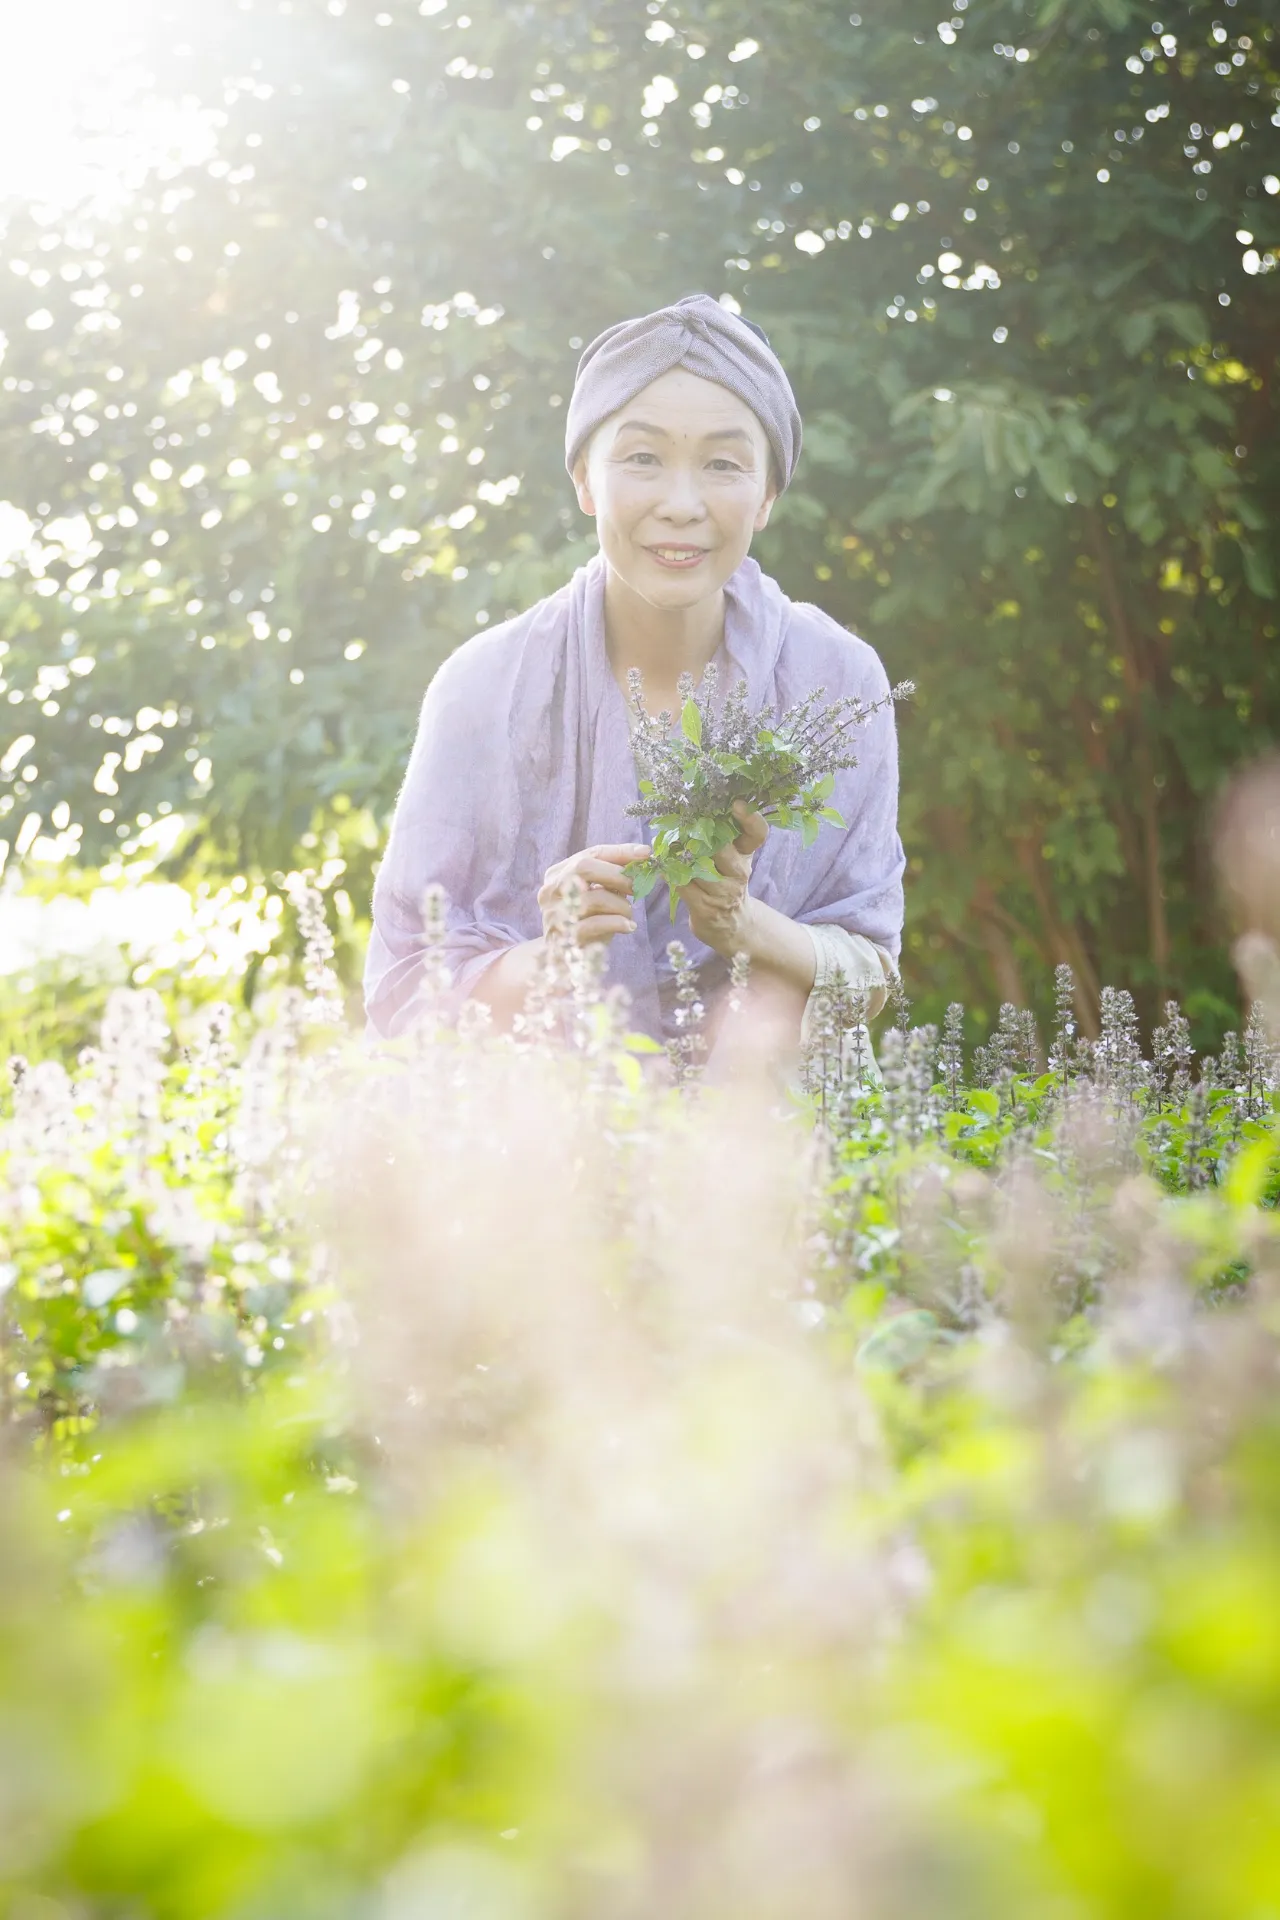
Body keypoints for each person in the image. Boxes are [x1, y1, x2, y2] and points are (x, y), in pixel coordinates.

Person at [363, 294, 904, 1054]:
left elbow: (872, 969)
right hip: (535, 1148)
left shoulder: (836, 683)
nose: (681, 505)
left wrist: (743, 925)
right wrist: (551, 953)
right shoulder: (481, 687)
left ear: (768, 495)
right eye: (642, 458)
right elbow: (403, 987)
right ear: (585, 477)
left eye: (723, 464)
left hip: (763, 1149)